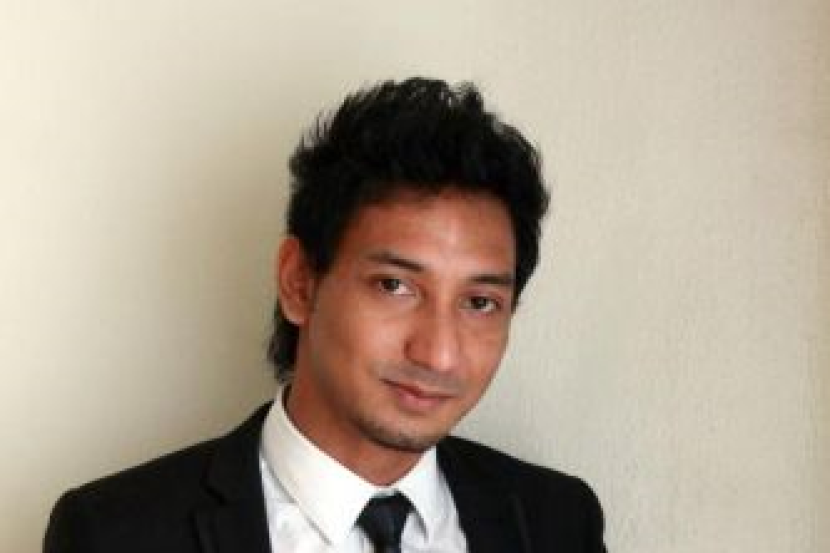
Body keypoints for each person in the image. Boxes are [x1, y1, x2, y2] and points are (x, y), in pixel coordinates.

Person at [44, 78, 606, 553]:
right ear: (298, 281)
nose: (439, 354)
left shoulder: (559, 522)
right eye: (395, 286)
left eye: (479, 302)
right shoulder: (114, 533)